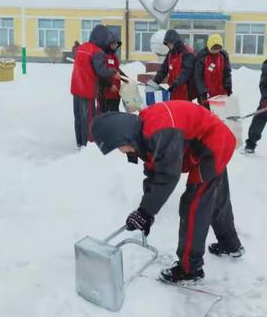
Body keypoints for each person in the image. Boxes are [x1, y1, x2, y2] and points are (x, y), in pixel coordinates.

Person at [91, 101, 244, 284]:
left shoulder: (160, 131)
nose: (121, 152)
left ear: (123, 137)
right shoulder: (145, 130)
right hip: (213, 141)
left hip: (212, 147)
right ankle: (230, 245)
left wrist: (146, 212)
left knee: (194, 205)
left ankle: (190, 270)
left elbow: (167, 176)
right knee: (216, 199)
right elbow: (154, 170)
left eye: (118, 147)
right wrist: (145, 211)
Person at [70, 25, 121, 148]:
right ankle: (89, 145)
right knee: (88, 120)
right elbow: (101, 71)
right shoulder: (96, 51)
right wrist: (114, 72)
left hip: (76, 88)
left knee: (78, 118)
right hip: (87, 90)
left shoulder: (82, 48)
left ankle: (79, 142)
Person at [148, 29, 195, 101]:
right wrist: (155, 82)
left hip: (186, 91)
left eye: (170, 44)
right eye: (168, 45)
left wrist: (176, 83)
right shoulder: (170, 53)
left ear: (175, 42)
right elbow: (163, 70)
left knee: (183, 110)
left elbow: (186, 72)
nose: (169, 46)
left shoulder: (187, 53)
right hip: (173, 90)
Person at [195, 33, 232, 108]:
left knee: (219, 115)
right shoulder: (202, 56)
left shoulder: (223, 56)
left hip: (220, 94)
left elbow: (227, 73)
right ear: (209, 46)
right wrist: (202, 93)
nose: (215, 51)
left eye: (218, 49)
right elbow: (198, 76)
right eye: (213, 49)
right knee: (206, 115)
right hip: (206, 94)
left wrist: (228, 87)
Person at [101, 39, 127, 112]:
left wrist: (126, 78)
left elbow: (117, 69)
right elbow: (101, 72)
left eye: (116, 44)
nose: (115, 46)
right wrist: (109, 85)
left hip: (116, 91)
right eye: (113, 44)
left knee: (115, 112)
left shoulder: (114, 56)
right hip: (107, 92)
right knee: (105, 114)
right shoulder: (103, 55)